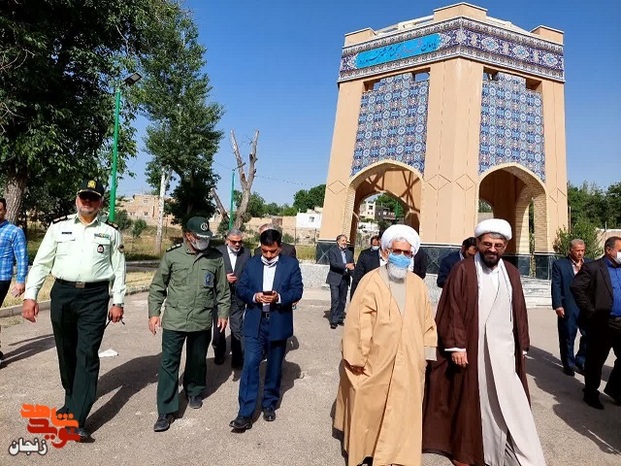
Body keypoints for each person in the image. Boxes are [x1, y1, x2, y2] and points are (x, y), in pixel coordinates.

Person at [423, 218, 545, 466]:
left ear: (505, 246)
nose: (492, 249)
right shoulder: (463, 269)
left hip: (504, 351)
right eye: (487, 244)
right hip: (473, 348)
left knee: (510, 400)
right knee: (474, 399)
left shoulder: (511, 272)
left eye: (498, 245)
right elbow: (452, 308)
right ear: (478, 243)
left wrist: (522, 345)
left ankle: (511, 449)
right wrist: (457, 346)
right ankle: (472, 451)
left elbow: (519, 310)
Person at [22, 180, 126, 442]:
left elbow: (119, 268)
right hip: (63, 293)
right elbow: (41, 263)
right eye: (84, 197)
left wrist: (118, 301)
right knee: (66, 352)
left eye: (93, 198)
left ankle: (77, 419)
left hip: (95, 296)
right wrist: (30, 296)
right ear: (76, 199)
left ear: (100, 202)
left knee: (87, 354)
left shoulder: (110, 232)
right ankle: (71, 401)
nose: (88, 202)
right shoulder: (58, 227)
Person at [334, 225, 437, 466]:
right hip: (375, 359)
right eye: (397, 251)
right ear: (387, 251)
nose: (401, 256)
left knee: (401, 409)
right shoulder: (371, 280)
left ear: (412, 255)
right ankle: (364, 451)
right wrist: (356, 357)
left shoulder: (418, 285)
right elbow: (357, 322)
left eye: (406, 253)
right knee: (369, 405)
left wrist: (425, 355)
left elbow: (427, 322)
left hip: (408, 360)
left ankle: (395, 454)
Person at [148, 217, 230, 432]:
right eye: (199, 237)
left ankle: (194, 391)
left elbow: (222, 290)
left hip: (201, 319)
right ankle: (166, 410)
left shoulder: (215, 258)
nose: (204, 241)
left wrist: (223, 313)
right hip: (175, 319)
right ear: (188, 235)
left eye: (206, 237)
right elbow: (158, 287)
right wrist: (154, 313)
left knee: (197, 360)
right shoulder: (173, 256)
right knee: (169, 363)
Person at [229, 229, 303, 431]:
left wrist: (279, 298)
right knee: (250, 365)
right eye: (264, 251)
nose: (268, 255)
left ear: (280, 247)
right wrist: (255, 296)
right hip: (255, 323)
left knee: (274, 367)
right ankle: (244, 413)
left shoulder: (290, 265)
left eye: (272, 251)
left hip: (278, 323)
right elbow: (241, 288)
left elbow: (297, 290)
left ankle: (269, 403)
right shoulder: (252, 263)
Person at [570, 236, 621, 409]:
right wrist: (591, 311)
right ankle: (590, 393)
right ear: (609, 250)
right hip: (602, 322)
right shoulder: (593, 267)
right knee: (596, 360)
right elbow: (576, 287)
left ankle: (615, 389)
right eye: (620, 250)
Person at [213, 228, 250, 368]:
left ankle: (237, 359)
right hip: (220, 297)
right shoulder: (217, 252)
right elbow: (210, 272)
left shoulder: (246, 253)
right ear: (227, 241)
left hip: (238, 298)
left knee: (237, 328)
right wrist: (223, 278)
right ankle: (219, 353)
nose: (237, 244)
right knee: (219, 328)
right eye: (234, 242)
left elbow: (249, 273)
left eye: (240, 242)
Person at [551, 238, 588, 376]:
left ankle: (581, 360)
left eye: (582, 250)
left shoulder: (590, 264)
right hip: (568, 305)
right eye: (577, 250)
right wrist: (558, 305)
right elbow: (556, 285)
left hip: (586, 307)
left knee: (590, 335)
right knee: (568, 335)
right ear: (570, 250)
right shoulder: (560, 265)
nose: (580, 253)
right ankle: (568, 364)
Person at [0, 197, 28, 364]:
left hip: (2, 278)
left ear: (5, 211)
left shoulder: (14, 231)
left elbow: (22, 257)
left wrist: (20, 281)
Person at [326, 234, 355, 329]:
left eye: (346, 241)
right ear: (338, 242)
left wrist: (355, 276)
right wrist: (346, 265)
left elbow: (352, 265)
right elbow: (333, 264)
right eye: (343, 240)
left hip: (345, 279)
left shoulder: (349, 253)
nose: (345, 242)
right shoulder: (332, 251)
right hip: (335, 278)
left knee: (342, 300)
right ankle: (333, 320)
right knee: (335, 299)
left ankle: (340, 318)